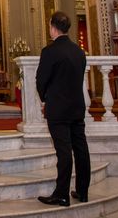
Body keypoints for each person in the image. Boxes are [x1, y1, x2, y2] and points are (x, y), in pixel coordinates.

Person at [36, 11, 91, 207]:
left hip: (58, 108)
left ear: (52, 27)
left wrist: (45, 99)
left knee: (64, 151)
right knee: (81, 148)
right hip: (77, 106)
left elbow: (41, 80)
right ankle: (83, 191)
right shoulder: (79, 51)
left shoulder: (49, 51)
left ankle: (62, 194)